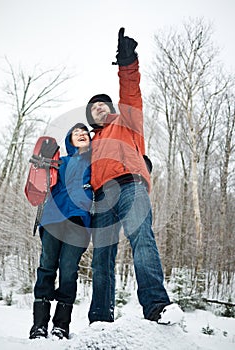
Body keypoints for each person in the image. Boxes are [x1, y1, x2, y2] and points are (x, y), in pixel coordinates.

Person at [85, 28, 183, 325]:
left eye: (102, 104)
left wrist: (128, 62)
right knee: (102, 257)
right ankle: (100, 318)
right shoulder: (90, 144)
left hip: (130, 186)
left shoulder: (126, 122)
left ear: (111, 109)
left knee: (142, 237)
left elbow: (131, 92)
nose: (98, 108)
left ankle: (156, 306)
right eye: (93, 108)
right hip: (102, 198)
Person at [29, 123, 92, 340]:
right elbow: (39, 182)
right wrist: (41, 163)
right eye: (76, 132)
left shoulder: (95, 164)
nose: (82, 134)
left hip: (79, 222)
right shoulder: (59, 162)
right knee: (46, 267)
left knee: (69, 271)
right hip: (52, 218)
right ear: (69, 139)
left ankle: (61, 326)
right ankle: (38, 326)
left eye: (85, 133)